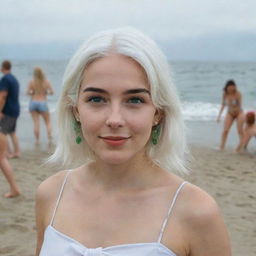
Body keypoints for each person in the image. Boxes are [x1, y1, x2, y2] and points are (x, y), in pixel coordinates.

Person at [35, 28, 231, 256]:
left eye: (135, 100)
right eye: (96, 99)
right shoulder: (50, 194)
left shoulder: (197, 212)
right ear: (76, 109)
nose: (115, 119)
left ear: (158, 112)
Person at [0, 60, 21, 197]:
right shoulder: (14, 78)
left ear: (3, 67)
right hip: (15, 109)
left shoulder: (5, 79)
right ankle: (14, 151)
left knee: (3, 133)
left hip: (7, 111)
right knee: (10, 132)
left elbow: (2, 96)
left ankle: (14, 189)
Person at [26, 67, 54, 144]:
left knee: (36, 122)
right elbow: (52, 92)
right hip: (42, 102)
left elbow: (27, 92)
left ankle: (37, 140)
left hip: (33, 102)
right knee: (48, 122)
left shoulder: (32, 82)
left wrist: (33, 93)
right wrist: (45, 93)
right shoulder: (46, 82)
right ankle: (49, 139)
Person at [217, 79, 244, 150]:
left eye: (232, 87)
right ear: (227, 87)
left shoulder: (238, 93)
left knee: (240, 130)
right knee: (225, 130)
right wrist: (219, 116)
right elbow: (223, 104)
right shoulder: (225, 94)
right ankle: (222, 146)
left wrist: (236, 111)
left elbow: (239, 105)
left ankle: (242, 145)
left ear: (235, 87)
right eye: (229, 87)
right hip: (230, 113)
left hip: (239, 113)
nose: (231, 88)